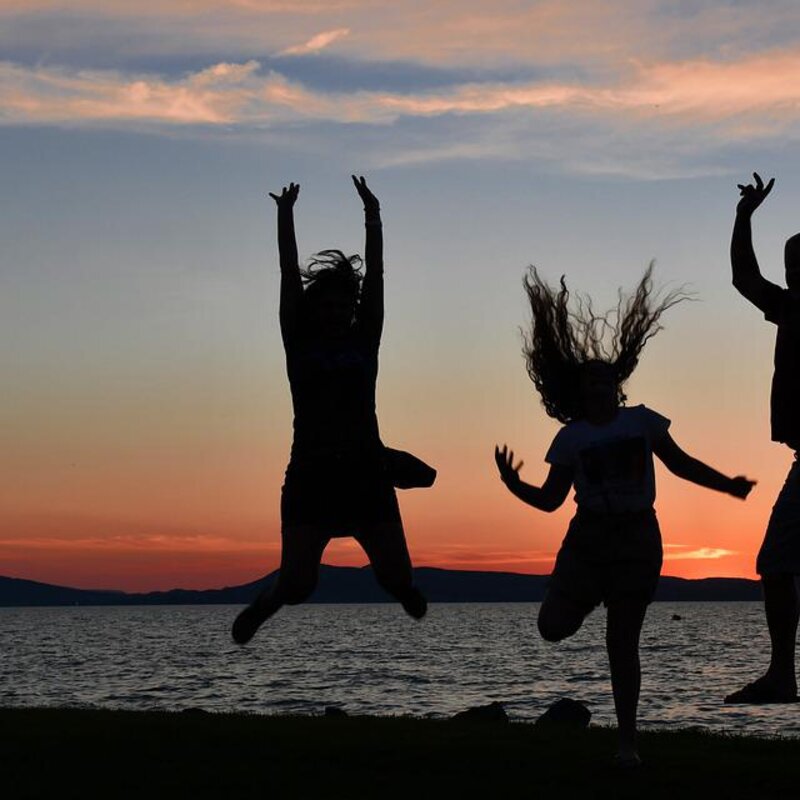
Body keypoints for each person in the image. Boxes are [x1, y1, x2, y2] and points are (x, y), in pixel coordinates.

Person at [494, 265, 755, 765]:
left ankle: (627, 744)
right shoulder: (570, 437)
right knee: (551, 628)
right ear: (580, 390)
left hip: (637, 539)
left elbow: (680, 464)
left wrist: (728, 485)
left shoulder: (642, 422)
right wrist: (513, 485)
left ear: (617, 383)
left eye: (606, 378)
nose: (599, 386)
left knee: (622, 643)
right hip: (587, 540)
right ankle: (591, 594)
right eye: (590, 381)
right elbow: (551, 501)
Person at [232, 176, 427, 645]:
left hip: (366, 472)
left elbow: (376, 278)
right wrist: (285, 214)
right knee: (299, 585)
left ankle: (401, 589)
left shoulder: (365, 341)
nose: (336, 312)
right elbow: (286, 276)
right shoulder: (298, 344)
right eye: (327, 305)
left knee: (397, 578)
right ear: (313, 308)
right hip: (311, 474)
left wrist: (373, 217)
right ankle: (267, 602)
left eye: (344, 305)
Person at [725, 173, 800, 704]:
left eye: (796, 267)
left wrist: (745, 217)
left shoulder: (795, 307)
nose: (790, 274)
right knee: (778, 563)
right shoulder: (792, 306)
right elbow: (747, 279)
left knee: (776, 562)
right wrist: (745, 217)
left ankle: (781, 675)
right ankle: (781, 674)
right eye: (791, 266)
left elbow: (747, 279)